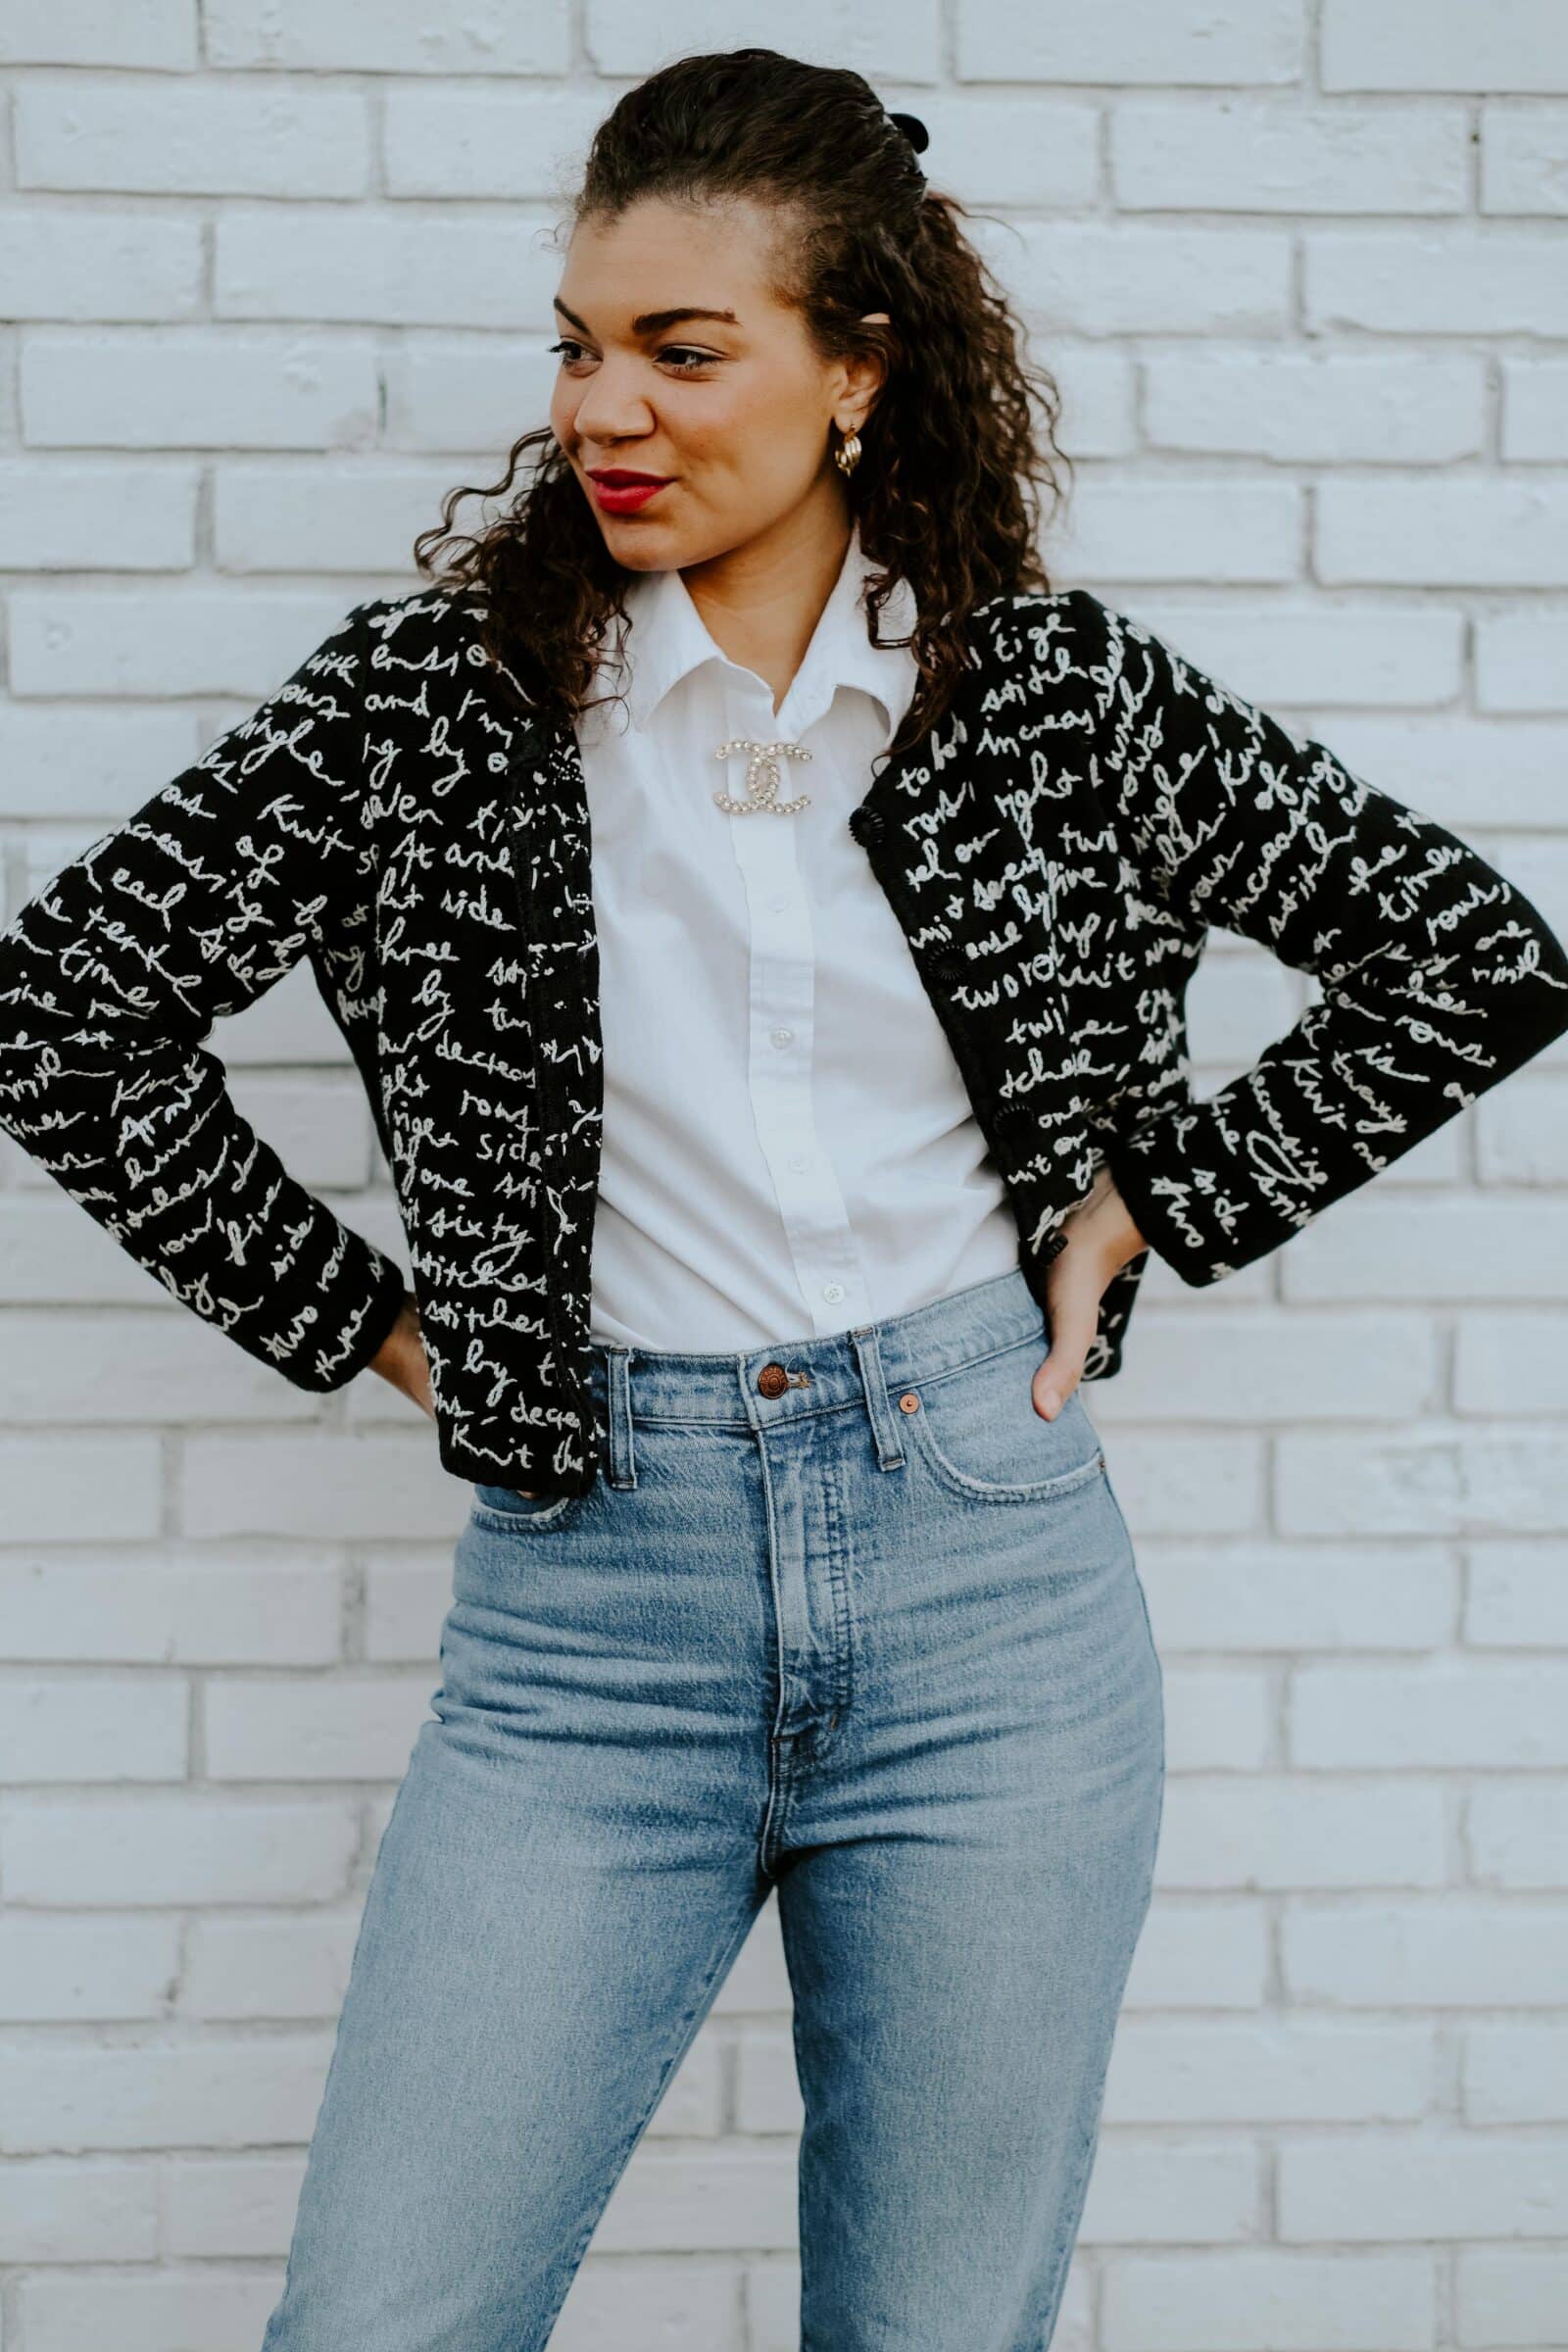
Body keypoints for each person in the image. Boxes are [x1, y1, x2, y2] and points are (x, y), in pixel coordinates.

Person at [1, 46, 1565, 2352]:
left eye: (679, 347)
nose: (601, 407)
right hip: (585, 1617)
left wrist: (1161, 1199)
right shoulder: (437, 709)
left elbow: (1471, 955)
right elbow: (62, 1019)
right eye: (575, 343)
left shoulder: (1042, 695)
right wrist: (386, 1323)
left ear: (856, 372)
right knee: (383, 2318)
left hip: (989, 1599)